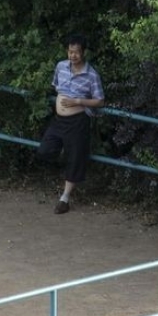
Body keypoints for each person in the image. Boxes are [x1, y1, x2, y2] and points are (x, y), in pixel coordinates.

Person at [38, 34, 105, 214]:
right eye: (70, 51)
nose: (73, 55)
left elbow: (99, 101)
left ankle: (65, 198)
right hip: (59, 119)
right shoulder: (61, 66)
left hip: (78, 121)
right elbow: (56, 86)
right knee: (44, 150)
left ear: (83, 53)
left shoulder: (92, 75)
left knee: (75, 159)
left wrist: (78, 101)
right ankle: (61, 152)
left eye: (76, 52)